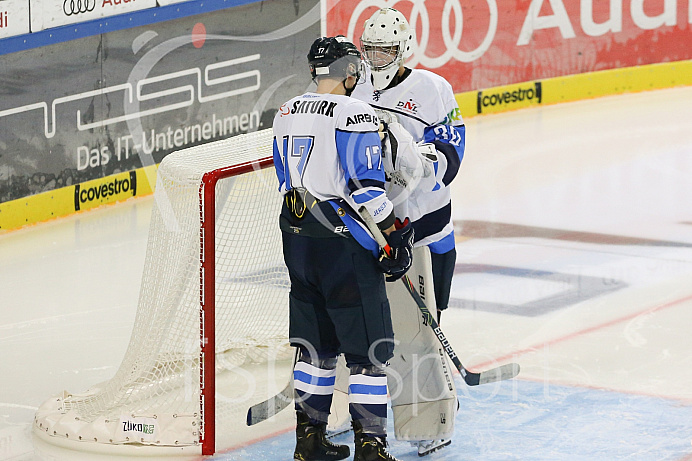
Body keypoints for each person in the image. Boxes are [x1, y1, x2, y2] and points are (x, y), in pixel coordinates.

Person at [272, 35, 414, 461]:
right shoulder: (354, 112)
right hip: (342, 244)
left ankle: (308, 441)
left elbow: (285, 177)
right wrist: (393, 234)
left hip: (295, 237)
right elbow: (365, 188)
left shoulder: (285, 111)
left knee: (315, 345)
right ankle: (371, 446)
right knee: (367, 351)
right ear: (351, 72)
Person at [350, 7, 467, 457]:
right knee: (363, 325)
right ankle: (353, 411)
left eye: (386, 50)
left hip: (426, 230)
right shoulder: (353, 85)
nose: (377, 58)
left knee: (421, 329)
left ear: (404, 49)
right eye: (371, 49)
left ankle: (429, 420)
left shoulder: (432, 88)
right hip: (373, 227)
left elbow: (451, 149)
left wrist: (414, 167)